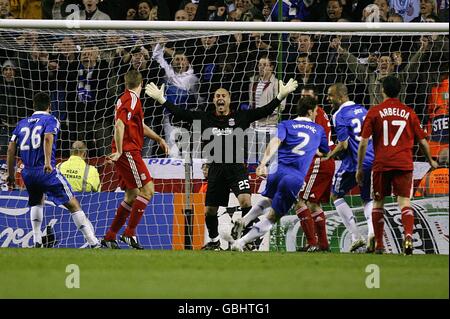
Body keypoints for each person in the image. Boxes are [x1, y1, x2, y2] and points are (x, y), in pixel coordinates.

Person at [145, 78, 298, 250]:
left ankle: (248, 240)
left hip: (237, 167)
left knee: (246, 201)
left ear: (229, 100)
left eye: (223, 96)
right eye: (217, 96)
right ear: (213, 100)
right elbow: (181, 113)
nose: (220, 98)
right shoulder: (205, 118)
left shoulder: (241, 116)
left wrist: (280, 96)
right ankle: (214, 240)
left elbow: (264, 111)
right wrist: (161, 99)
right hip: (215, 168)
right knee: (210, 210)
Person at [228, 96, 330, 251]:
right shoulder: (319, 130)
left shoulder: (286, 124)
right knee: (272, 218)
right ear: (310, 111)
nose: (316, 114)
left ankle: (245, 220)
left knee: (269, 198)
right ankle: (241, 242)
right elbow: (324, 152)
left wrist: (262, 163)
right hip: (294, 177)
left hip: (276, 171)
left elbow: (276, 141)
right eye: (315, 111)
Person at [6, 92, 100, 248]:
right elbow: (48, 138)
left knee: (36, 202)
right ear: (49, 106)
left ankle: (36, 240)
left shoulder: (21, 123)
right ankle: (94, 242)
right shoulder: (51, 119)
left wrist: (10, 175)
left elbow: (10, 150)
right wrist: (48, 162)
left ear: (33, 106)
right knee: (73, 205)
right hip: (45, 170)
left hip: (27, 172)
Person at [356, 75, 438, 255]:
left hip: (382, 164)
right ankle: (408, 235)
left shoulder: (375, 112)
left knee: (378, 202)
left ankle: (379, 245)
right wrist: (430, 159)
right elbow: (423, 141)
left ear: (382, 90)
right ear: (399, 91)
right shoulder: (409, 112)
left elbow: (363, 142)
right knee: (404, 202)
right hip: (403, 163)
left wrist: (360, 167)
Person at [101, 70, 169, 250]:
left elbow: (139, 126)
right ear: (142, 82)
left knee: (131, 196)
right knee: (148, 191)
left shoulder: (126, 99)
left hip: (126, 152)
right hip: (128, 152)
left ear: (125, 82)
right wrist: (120, 150)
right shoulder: (131, 100)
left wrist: (159, 139)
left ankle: (109, 236)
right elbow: (119, 124)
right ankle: (129, 233)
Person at [324, 83, 375, 252]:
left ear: (340, 96)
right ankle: (372, 233)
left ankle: (355, 236)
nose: (328, 99)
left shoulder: (339, 115)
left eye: (330, 95)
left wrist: (329, 156)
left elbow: (344, 144)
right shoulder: (364, 110)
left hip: (353, 163)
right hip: (371, 160)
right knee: (367, 198)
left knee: (336, 194)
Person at [294, 86, 335, 252]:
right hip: (324, 162)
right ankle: (323, 244)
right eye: (302, 95)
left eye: (308, 96)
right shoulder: (318, 113)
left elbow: (317, 142)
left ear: (316, 98)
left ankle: (312, 243)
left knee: (299, 200)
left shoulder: (314, 114)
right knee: (313, 204)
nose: (304, 98)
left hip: (319, 161)